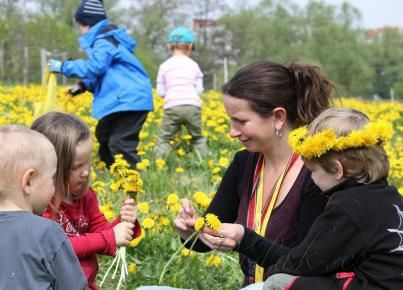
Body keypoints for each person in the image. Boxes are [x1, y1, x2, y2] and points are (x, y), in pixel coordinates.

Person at [174, 61, 335, 286]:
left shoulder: (317, 174)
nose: (232, 132)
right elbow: (202, 242)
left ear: (278, 117)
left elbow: (306, 266)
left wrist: (245, 239)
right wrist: (189, 231)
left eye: (241, 121)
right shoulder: (244, 163)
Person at [248, 108, 403, 289]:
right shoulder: (390, 196)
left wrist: (274, 271)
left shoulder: (348, 206)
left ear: (337, 170)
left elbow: (308, 261)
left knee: (277, 283)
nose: (311, 178)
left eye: (313, 171)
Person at [0, 125, 88, 289]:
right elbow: (74, 286)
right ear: (29, 181)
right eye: (52, 178)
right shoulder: (47, 233)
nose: (54, 187)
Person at [31, 112, 141, 290]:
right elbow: (58, 248)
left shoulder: (85, 196)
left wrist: (124, 223)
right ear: (50, 168)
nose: (85, 172)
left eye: (87, 162)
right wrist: (109, 238)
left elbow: (100, 230)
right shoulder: (41, 204)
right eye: (76, 166)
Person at [48, 0, 153, 168]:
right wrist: (80, 87)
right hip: (126, 99)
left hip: (129, 99)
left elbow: (95, 67)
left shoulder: (104, 41)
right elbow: (104, 73)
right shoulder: (108, 40)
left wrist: (63, 66)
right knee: (103, 134)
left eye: (80, 26)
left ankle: (130, 180)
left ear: (86, 24)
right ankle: (110, 170)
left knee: (120, 142)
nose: (80, 31)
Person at [153, 27, 209, 158]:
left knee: (165, 139)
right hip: (192, 106)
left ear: (169, 45)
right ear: (190, 46)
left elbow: (160, 92)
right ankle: (205, 160)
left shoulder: (164, 66)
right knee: (198, 138)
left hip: (172, 106)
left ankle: (157, 162)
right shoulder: (194, 65)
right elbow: (199, 90)